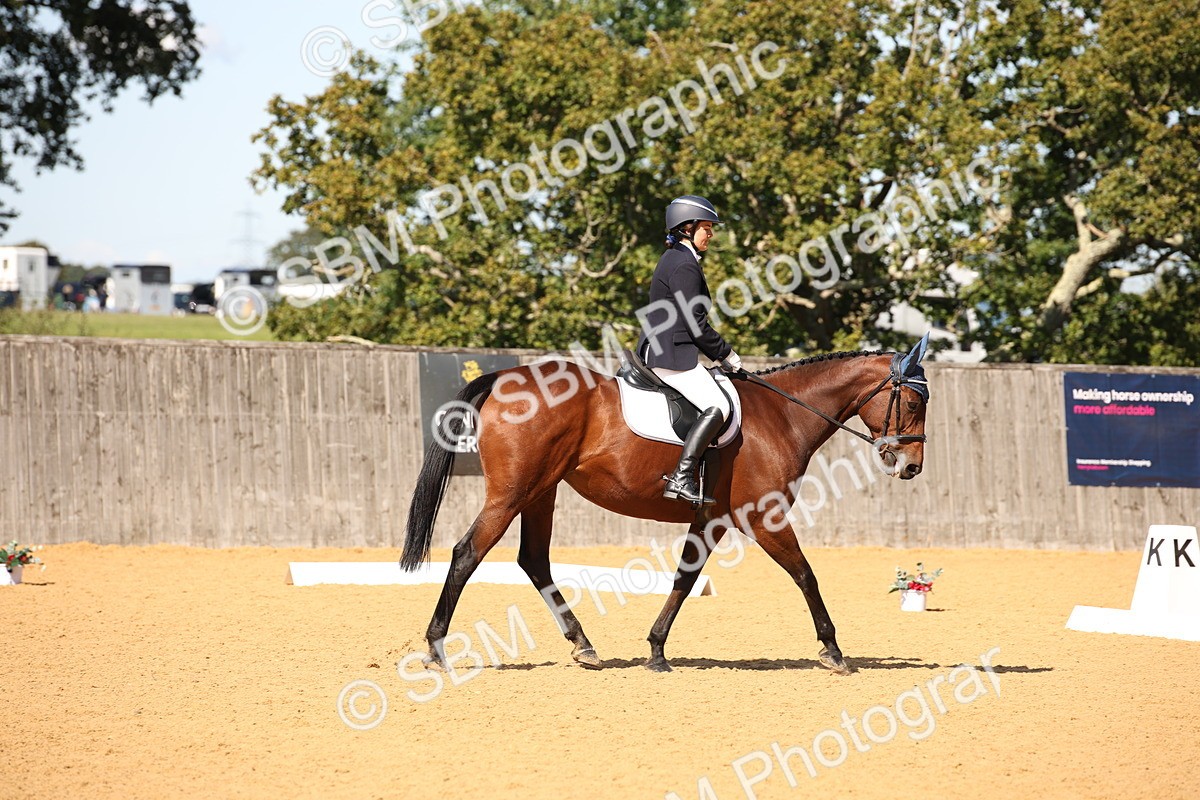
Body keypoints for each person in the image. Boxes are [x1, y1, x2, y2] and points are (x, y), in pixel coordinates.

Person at [636, 195, 742, 506]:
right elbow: (694, 324)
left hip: (663, 348)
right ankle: (682, 477)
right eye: (706, 227)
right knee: (718, 406)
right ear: (687, 228)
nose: (710, 234)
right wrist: (726, 354)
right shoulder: (683, 264)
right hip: (671, 353)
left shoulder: (676, 259)